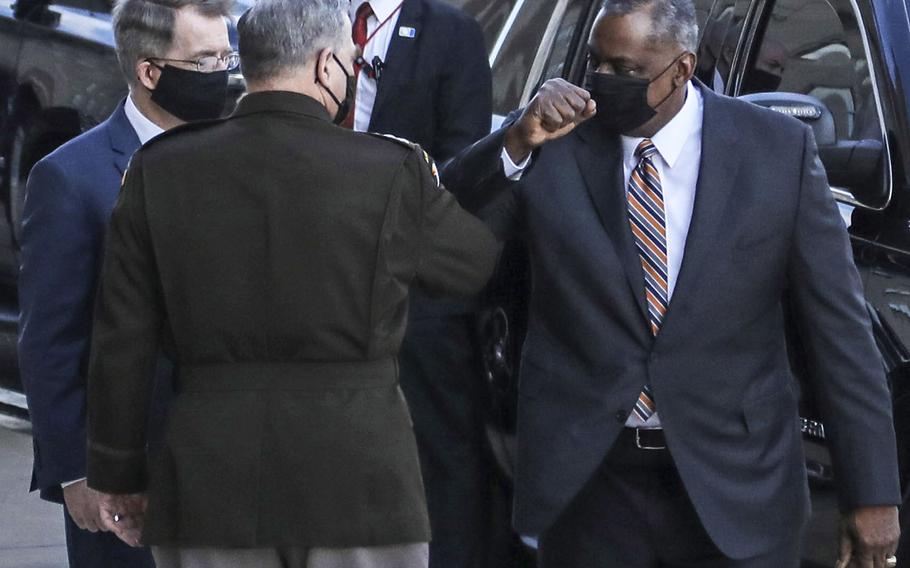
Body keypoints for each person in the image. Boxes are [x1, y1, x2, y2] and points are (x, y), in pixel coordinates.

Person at [442, 0, 901, 566]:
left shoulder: (775, 152)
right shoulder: (551, 144)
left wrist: (874, 493)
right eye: (595, 65)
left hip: (739, 485)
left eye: (626, 70)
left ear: (681, 69)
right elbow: (446, 225)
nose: (603, 82)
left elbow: (840, 334)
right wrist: (514, 140)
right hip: (590, 485)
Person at [83, 0, 500, 566]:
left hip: (210, 479)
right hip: (358, 481)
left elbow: (122, 341)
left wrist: (116, 470)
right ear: (327, 65)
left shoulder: (159, 168)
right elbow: (471, 266)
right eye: (350, 62)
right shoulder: (391, 169)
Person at [17, 0, 234, 565]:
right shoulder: (71, 178)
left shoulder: (239, 159)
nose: (224, 75)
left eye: (226, 56)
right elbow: (51, 339)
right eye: (206, 61)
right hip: (125, 479)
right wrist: (74, 471)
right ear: (149, 72)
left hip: (228, 470)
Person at [342, 2, 494, 566]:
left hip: (412, 291)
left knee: (438, 463)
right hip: (314, 283)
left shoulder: (451, 32)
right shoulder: (307, 15)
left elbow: (461, 168)